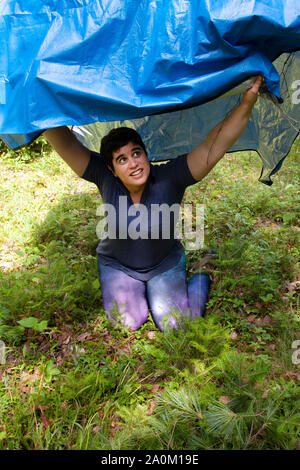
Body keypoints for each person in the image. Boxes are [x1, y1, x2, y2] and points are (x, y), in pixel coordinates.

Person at [43, 76, 262, 332]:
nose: (133, 163)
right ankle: (141, 295)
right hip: (118, 266)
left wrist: (248, 100)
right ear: (112, 169)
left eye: (136, 153)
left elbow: (214, 145)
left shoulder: (170, 177)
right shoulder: (104, 177)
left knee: (176, 325)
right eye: (122, 159)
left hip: (164, 265)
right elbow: (65, 141)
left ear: (146, 155)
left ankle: (202, 271)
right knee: (128, 322)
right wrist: (39, 102)